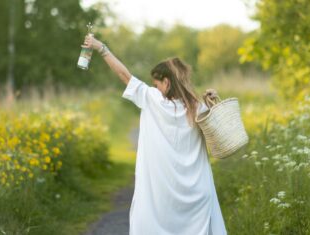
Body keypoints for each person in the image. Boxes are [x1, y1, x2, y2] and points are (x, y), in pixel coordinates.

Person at [82, 34, 228, 235]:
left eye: (157, 84)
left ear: (166, 82)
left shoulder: (152, 100)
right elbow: (219, 136)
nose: (154, 88)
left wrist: (101, 48)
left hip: (162, 197)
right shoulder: (198, 108)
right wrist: (211, 103)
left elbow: (124, 75)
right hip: (197, 195)